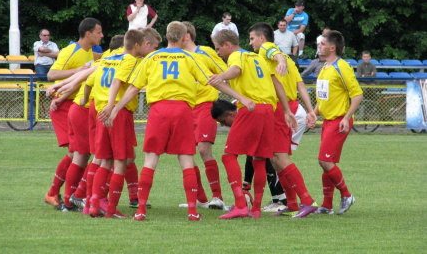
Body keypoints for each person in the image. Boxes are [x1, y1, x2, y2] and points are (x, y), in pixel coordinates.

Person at [104, 21, 255, 221]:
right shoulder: (190, 58)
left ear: (166, 37)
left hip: (158, 110)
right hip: (182, 110)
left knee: (151, 160)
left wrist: (115, 108)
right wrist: (242, 98)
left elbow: (133, 87)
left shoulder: (152, 57)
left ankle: (140, 210)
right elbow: (212, 81)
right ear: (185, 37)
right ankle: (193, 211)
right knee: (186, 160)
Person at [209, 29, 297, 219]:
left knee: (228, 156)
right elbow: (277, 84)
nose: (217, 53)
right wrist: (286, 110)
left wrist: (222, 75)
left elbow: (235, 70)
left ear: (227, 45)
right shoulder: (258, 58)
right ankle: (255, 209)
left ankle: (241, 204)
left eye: (218, 48)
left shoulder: (236, 55)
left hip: (252, 109)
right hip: (269, 110)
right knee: (258, 160)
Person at [248, 22, 318, 218]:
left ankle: (307, 201)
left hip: (281, 109)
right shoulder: (287, 57)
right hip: (290, 106)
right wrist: (311, 110)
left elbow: (276, 55)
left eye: (252, 38)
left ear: (262, 38)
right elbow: (300, 84)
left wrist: (280, 61)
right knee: (276, 158)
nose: (250, 42)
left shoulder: (267, 49)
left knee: (279, 157)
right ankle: (293, 204)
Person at [88, 29, 148, 219]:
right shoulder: (130, 60)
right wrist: (112, 107)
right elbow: (116, 82)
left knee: (105, 161)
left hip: (101, 111)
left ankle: (94, 205)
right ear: (136, 45)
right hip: (117, 113)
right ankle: (111, 209)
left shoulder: (107, 59)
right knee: (121, 161)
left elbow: (92, 80)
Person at [43, 18, 103, 210]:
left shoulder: (90, 53)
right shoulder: (71, 51)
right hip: (63, 106)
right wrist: (78, 70)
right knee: (77, 152)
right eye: (99, 32)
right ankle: (56, 194)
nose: (102, 36)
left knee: (79, 152)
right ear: (88, 33)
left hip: (75, 104)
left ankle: (69, 194)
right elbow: (51, 75)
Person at [178, 21, 227, 210]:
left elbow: (224, 72)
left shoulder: (205, 51)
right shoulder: (177, 56)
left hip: (205, 106)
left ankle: (218, 197)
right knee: (186, 154)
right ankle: (200, 198)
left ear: (187, 36)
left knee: (204, 150)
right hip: (185, 109)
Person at [314, 30, 363, 215]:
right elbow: (323, 98)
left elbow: (357, 94)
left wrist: (345, 117)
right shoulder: (325, 67)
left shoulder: (341, 67)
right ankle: (327, 205)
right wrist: (313, 113)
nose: (319, 47)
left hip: (338, 121)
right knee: (327, 162)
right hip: (328, 121)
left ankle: (347, 195)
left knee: (324, 160)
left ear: (332, 47)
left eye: (322, 44)